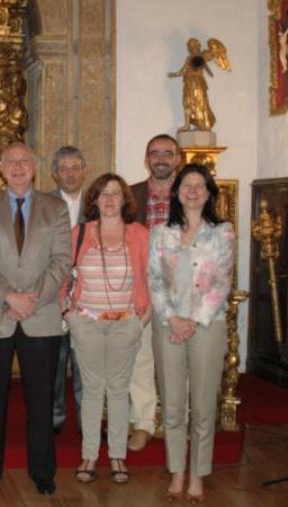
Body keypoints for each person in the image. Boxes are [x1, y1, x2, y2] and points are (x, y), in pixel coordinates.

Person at [0, 142, 72, 497]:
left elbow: (61, 261)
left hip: (41, 316)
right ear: (0, 167)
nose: (17, 166)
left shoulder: (56, 208)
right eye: (10, 160)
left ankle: (42, 471)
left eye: (24, 160)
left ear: (35, 166)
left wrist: (31, 300)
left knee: (41, 399)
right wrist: (9, 296)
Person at [148, 164, 234, 503]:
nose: (193, 190)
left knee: (201, 405)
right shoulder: (160, 232)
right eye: (187, 184)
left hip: (207, 326)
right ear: (177, 191)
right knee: (171, 404)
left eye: (200, 185)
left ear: (210, 192)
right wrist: (172, 319)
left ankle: (197, 475)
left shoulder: (222, 231)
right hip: (168, 324)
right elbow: (154, 279)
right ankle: (177, 472)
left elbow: (222, 281)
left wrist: (193, 321)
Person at [65, 174, 151, 485]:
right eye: (104, 194)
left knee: (118, 391)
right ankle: (89, 454)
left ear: (125, 200)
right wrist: (69, 314)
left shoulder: (139, 234)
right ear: (95, 201)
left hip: (125, 323)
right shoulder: (80, 233)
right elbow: (63, 276)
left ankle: (117, 455)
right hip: (87, 323)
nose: (110, 199)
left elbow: (149, 277)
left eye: (116, 194)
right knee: (91, 390)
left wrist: (142, 317)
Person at [127, 134, 182, 453]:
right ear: (146, 159)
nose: (161, 159)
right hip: (142, 292)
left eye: (167, 153)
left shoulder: (191, 193)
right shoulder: (131, 196)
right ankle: (144, 424)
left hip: (180, 293)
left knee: (178, 361)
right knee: (141, 360)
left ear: (177, 159)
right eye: (154, 153)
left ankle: (177, 422)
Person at [50, 146, 87, 434]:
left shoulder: (99, 203)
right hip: (53, 293)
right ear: (54, 173)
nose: (70, 174)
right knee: (56, 359)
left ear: (84, 171)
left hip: (91, 294)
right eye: (64, 168)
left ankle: (88, 418)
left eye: (75, 167)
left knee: (86, 360)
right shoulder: (43, 204)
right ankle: (55, 417)